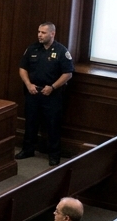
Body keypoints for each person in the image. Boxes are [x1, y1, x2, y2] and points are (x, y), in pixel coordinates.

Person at [16, 23, 74, 166]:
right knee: (30, 123)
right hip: (33, 92)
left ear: (52, 34)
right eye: (38, 32)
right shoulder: (32, 48)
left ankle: (54, 155)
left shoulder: (61, 51)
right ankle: (28, 149)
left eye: (43, 32)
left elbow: (68, 74)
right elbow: (22, 68)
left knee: (52, 125)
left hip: (52, 95)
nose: (39, 35)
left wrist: (53, 87)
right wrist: (28, 84)